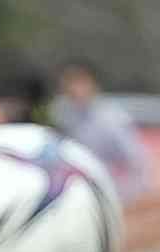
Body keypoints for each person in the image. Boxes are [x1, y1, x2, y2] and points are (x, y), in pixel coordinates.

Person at [53, 61, 150, 202]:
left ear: (93, 84)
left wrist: (121, 198)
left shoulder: (112, 120)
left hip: (109, 197)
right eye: (69, 84)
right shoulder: (63, 115)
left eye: (79, 83)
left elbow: (138, 164)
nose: (74, 89)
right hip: (78, 196)